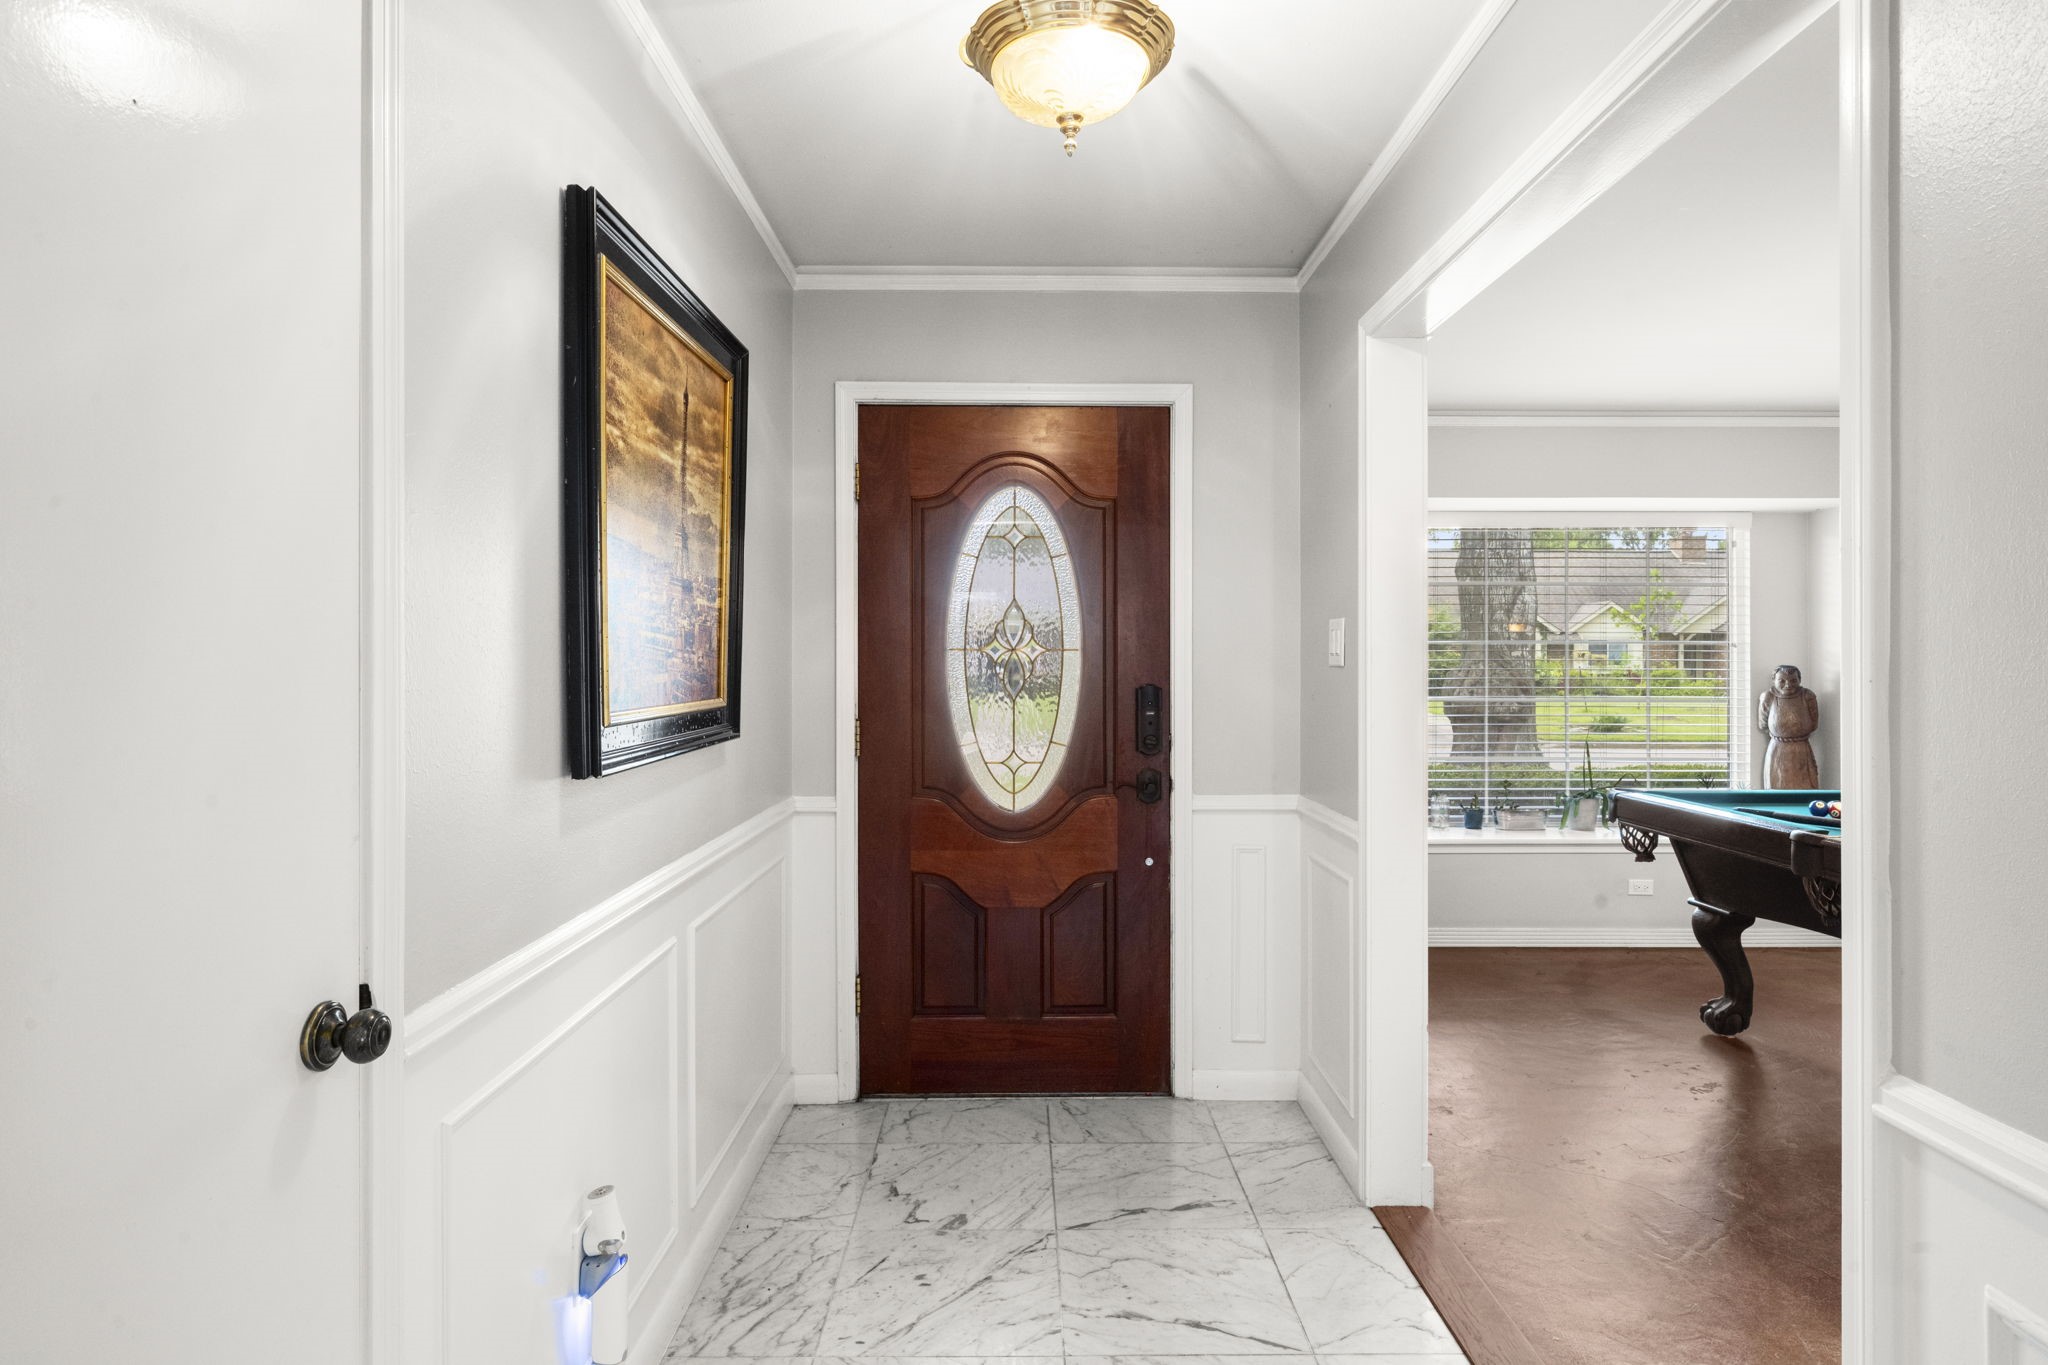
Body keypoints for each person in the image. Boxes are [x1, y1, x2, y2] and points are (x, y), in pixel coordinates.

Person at [1758, 664, 1821, 788]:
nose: (1788, 685)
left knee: (1806, 787)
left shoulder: (1808, 696)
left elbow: (1814, 723)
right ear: (1774, 680)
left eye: (1793, 680)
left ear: (1799, 680)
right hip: (1777, 750)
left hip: (1802, 750)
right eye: (1782, 681)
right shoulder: (1768, 697)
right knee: (1776, 787)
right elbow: (1763, 724)